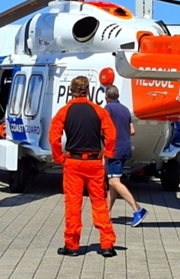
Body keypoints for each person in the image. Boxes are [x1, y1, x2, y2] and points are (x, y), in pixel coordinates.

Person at [49, 76, 117, 258]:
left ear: (71, 91)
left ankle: (72, 246)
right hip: (95, 162)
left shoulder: (64, 111)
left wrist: (59, 157)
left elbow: (53, 137)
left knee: (73, 204)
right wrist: (108, 154)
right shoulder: (99, 111)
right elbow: (111, 134)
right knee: (99, 203)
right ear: (88, 91)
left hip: (73, 162)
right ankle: (107, 245)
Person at [103, 85, 148, 227]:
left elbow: (103, 129)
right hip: (125, 148)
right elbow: (132, 130)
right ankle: (105, 214)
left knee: (113, 182)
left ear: (106, 97)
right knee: (113, 182)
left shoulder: (108, 109)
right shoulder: (125, 109)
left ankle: (137, 209)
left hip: (114, 150)